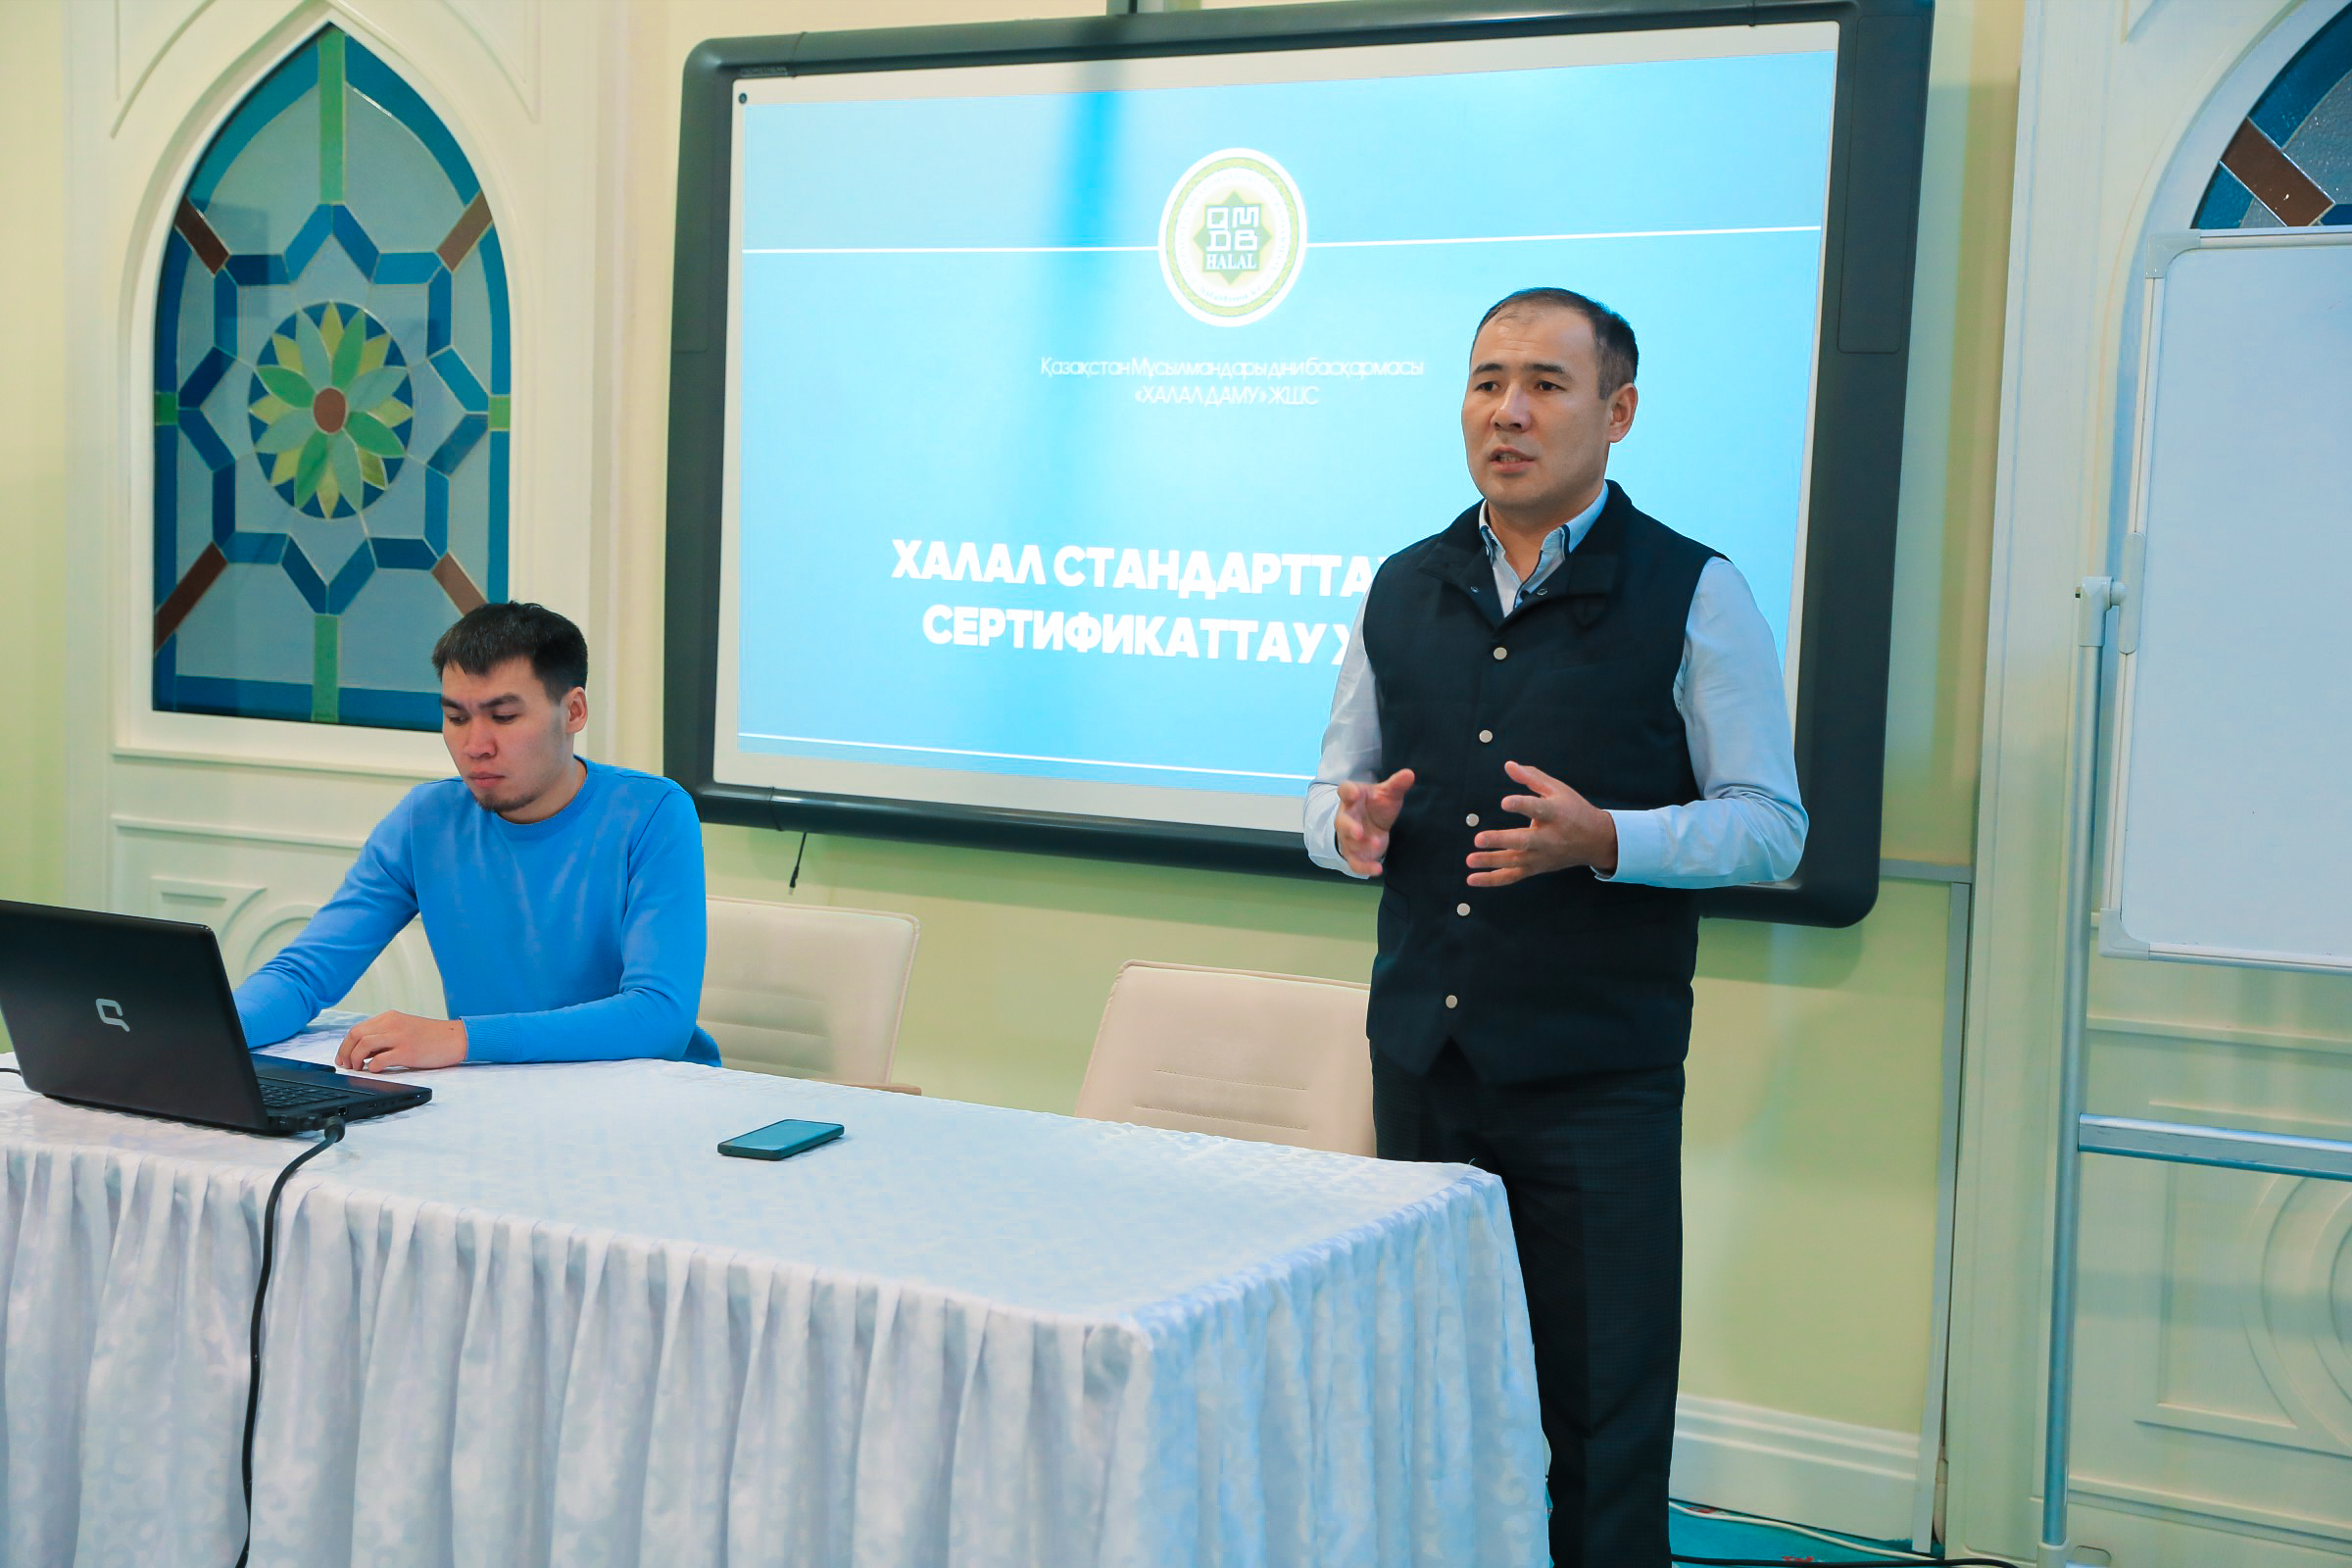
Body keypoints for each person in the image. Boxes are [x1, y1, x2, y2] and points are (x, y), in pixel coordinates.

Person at [1305, 287, 1805, 1567]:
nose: (1508, 412)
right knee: (1419, 1395)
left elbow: (1771, 825)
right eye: (1487, 383)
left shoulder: (1695, 590)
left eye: (1544, 384)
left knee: (1599, 1419)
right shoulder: (1402, 585)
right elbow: (1331, 791)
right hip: (1423, 1064)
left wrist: (1612, 839)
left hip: (1595, 1079)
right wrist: (1347, 831)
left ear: (1617, 411)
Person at [234, 601, 721, 1071]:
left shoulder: (652, 812)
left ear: (573, 712)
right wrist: (202, 1035)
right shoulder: (425, 819)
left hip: (646, 1096)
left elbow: (659, 1016)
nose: (475, 746)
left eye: (504, 717)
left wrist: (463, 1039)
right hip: (495, 1090)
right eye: (456, 718)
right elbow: (301, 976)